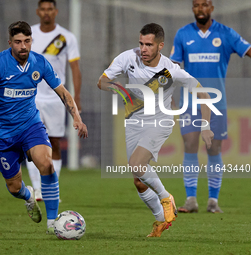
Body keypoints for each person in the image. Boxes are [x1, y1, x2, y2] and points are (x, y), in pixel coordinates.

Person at [98, 23, 214, 237]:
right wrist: (122, 90)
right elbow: (102, 82)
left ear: (160, 46)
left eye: (149, 45)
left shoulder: (171, 71)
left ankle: (165, 197)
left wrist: (205, 126)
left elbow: (204, 95)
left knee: (136, 164)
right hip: (133, 121)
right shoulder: (128, 57)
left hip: (160, 121)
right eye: (141, 43)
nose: (143, 49)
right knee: (138, 179)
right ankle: (161, 220)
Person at [0, 21, 87, 234]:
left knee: (47, 163)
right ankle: (28, 195)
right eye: (18, 42)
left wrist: (77, 118)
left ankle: (53, 224)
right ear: (10, 43)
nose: (23, 46)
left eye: (27, 41)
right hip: (1, 133)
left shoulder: (39, 63)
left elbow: (62, 92)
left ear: (31, 41)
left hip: (30, 126)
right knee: (14, 188)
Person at [170, 0, 251, 213]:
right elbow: (174, 67)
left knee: (213, 148)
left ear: (211, 8)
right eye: (196, 5)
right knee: (189, 145)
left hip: (216, 103)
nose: (200, 9)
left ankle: (213, 201)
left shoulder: (226, 33)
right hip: (189, 101)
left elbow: (248, 50)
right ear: (192, 8)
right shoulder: (183, 34)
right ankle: (191, 200)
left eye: (205, 4)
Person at [26, 0, 82, 202]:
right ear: (38, 11)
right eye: (43, 9)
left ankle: (52, 187)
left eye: (50, 9)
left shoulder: (66, 37)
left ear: (56, 12)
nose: (47, 12)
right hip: (30, 97)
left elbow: (75, 69)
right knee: (31, 143)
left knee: (55, 143)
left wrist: (75, 98)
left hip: (56, 98)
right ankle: (37, 189)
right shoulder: (29, 35)